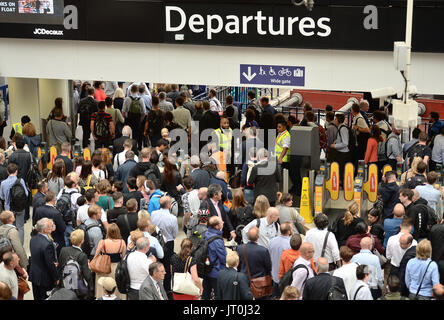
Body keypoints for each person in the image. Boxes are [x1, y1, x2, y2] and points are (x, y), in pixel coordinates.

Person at [151, 196, 178, 293]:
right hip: (168, 243)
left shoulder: (153, 214)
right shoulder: (172, 218)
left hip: (155, 241)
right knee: (167, 266)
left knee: (155, 264)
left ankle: (156, 287)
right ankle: (166, 289)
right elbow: (175, 234)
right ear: (169, 205)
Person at [92, 223, 126, 300]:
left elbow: (96, 255)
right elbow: (123, 257)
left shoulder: (103, 242)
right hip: (116, 268)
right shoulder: (122, 242)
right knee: (116, 286)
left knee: (103, 285)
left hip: (104, 268)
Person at [58, 229, 94, 299]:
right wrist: (91, 289)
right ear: (82, 241)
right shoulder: (82, 256)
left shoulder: (63, 250)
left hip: (64, 284)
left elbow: (60, 268)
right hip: (77, 288)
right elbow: (87, 275)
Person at [237, 227, 272, 298]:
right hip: (260, 283)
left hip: (244, 281)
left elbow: (239, 264)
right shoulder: (263, 250)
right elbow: (268, 267)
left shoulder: (240, 248)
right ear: (258, 236)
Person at [29, 218, 58, 300]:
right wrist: (56, 278)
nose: (52, 227)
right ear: (45, 230)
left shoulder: (33, 239)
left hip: (34, 275)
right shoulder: (47, 244)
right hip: (45, 279)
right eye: (50, 226)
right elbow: (50, 264)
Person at [0, 163, 29, 244]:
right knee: (20, 226)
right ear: (16, 171)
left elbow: (2, 197)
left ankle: (10, 245)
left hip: (9, 209)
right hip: (20, 207)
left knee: (9, 228)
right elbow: (26, 194)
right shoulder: (21, 181)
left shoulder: (3, 183)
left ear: (7, 171)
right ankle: (19, 245)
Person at [33, 191, 66, 256]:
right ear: (54, 200)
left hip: (41, 239)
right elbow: (62, 228)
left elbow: (35, 223)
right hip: (55, 241)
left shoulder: (38, 210)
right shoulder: (56, 213)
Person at [202, 216, 226, 300]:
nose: (223, 222)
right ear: (216, 226)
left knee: (205, 294)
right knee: (218, 295)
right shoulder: (217, 240)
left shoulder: (205, 234)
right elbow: (223, 258)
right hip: (216, 272)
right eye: (221, 222)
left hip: (205, 269)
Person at [268, 222, 292, 297]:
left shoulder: (271, 241)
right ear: (288, 231)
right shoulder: (290, 243)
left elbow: (268, 256)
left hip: (274, 275)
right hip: (286, 278)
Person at [123, 85, 146, 149]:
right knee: (138, 134)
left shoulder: (127, 99)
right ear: (137, 91)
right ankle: (138, 147)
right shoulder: (141, 99)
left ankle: (129, 146)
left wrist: (125, 118)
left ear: (131, 90)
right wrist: (140, 120)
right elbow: (144, 112)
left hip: (129, 119)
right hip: (137, 119)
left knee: (129, 134)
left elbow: (123, 111)